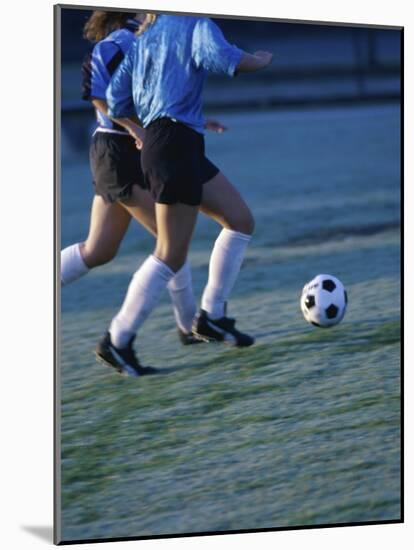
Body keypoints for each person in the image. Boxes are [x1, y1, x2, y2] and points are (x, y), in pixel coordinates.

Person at [95, 13, 273, 375]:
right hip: (174, 144)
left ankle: (212, 316)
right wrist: (260, 59)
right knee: (170, 253)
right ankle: (117, 340)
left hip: (177, 143)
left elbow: (115, 98)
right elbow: (227, 60)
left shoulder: (146, 35)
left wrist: (148, 124)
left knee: (240, 220)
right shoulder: (194, 23)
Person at [60, 11, 225, 358]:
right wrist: (136, 129)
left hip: (137, 150)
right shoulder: (120, 41)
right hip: (117, 152)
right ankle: (181, 328)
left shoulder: (151, 35)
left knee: (99, 249)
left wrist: (189, 119)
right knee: (170, 245)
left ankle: (187, 327)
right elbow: (95, 92)